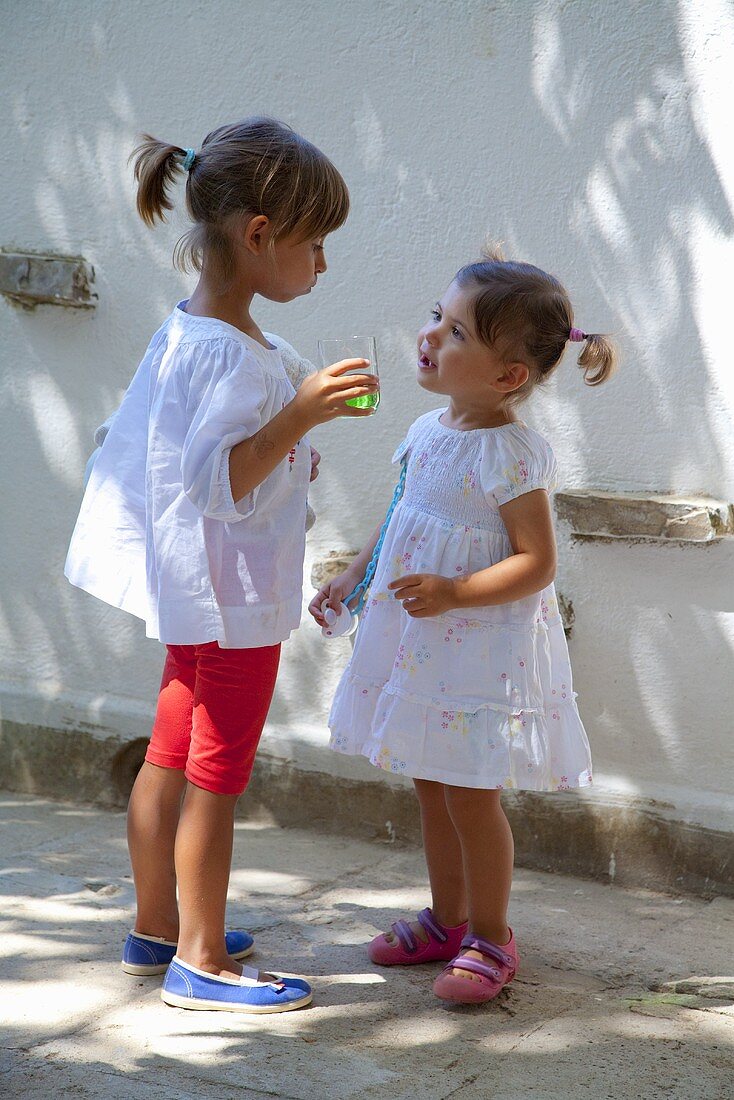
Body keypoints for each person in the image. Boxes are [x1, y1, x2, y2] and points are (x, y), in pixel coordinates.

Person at [65, 117, 378, 1014]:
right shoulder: (236, 360)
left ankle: (157, 927)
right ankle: (201, 962)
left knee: (169, 755)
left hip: (189, 592)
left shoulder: (193, 329)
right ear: (259, 236)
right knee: (215, 773)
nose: (322, 266)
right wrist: (299, 422)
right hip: (234, 597)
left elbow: (154, 447)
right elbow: (217, 480)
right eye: (316, 245)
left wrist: (295, 401)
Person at [309, 248, 615, 1005]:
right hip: (420, 638)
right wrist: (354, 574)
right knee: (429, 780)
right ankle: (446, 920)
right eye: (434, 318)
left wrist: (455, 590)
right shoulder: (423, 430)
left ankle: (491, 934)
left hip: (478, 644)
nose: (429, 336)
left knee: (471, 792)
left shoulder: (514, 455)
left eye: (455, 333)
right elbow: (401, 515)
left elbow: (536, 563)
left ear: (509, 376)